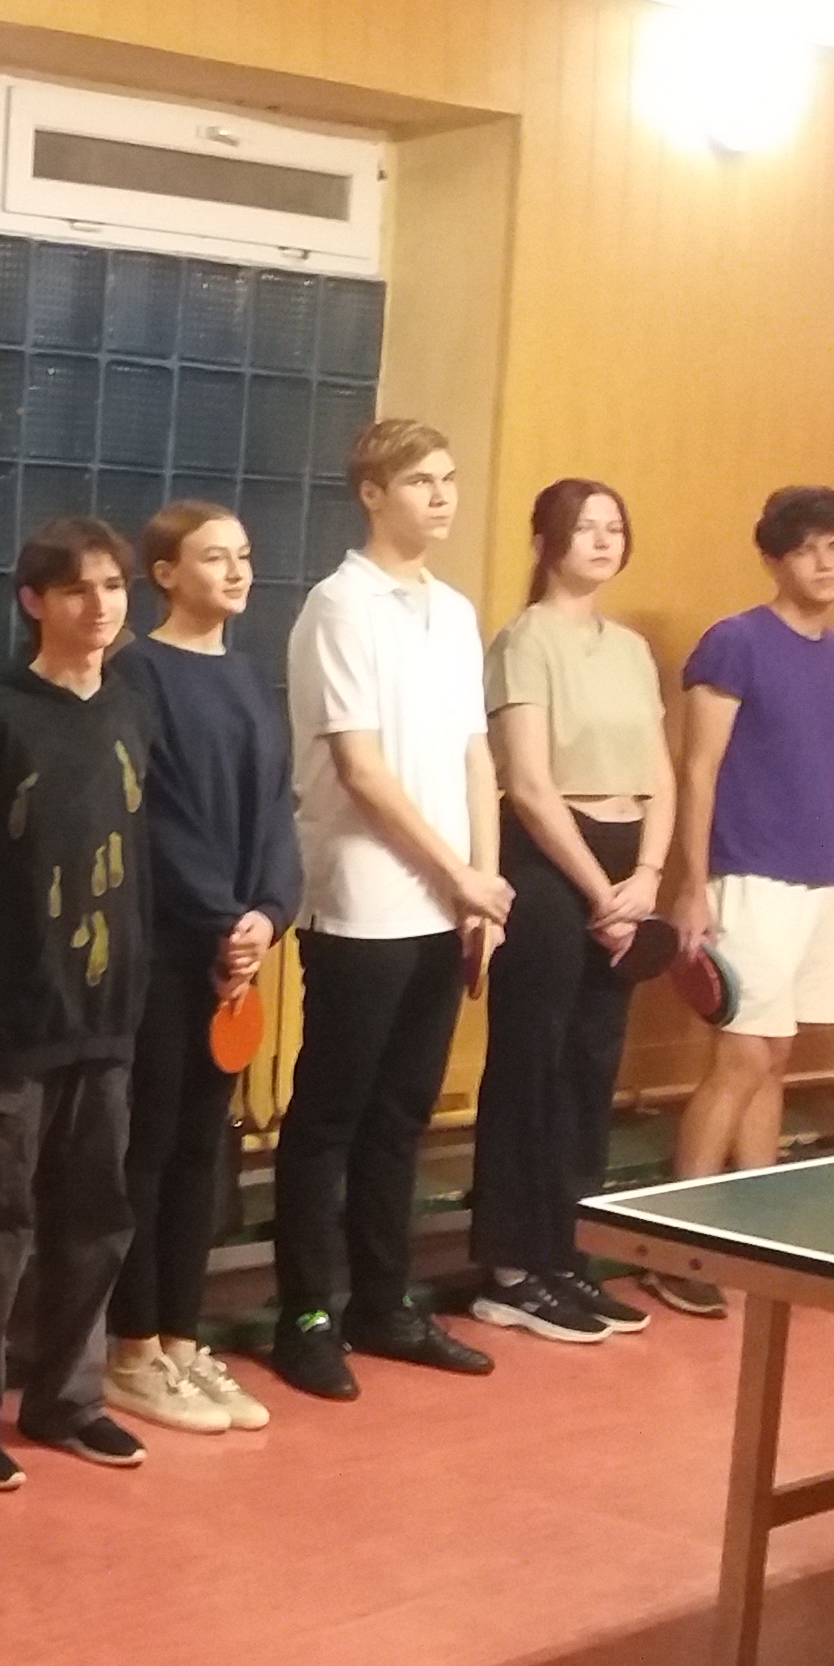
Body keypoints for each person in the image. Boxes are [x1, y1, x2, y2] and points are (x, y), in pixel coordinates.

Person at [0, 518, 155, 1490]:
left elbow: (138, 857)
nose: (100, 606)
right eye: (79, 589)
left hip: (107, 1015)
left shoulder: (131, 710)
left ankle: (68, 1398)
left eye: (113, 587)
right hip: (12, 1018)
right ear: (34, 602)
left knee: (95, 1218)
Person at [271, 418, 506, 1401]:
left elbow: (476, 753)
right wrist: (458, 873)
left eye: (448, 479)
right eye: (420, 482)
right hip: (364, 897)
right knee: (330, 1116)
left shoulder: (453, 610)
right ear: (372, 494)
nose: (441, 497)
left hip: (450, 901)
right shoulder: (339, 606)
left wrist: (484, 888)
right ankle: (304, 1315)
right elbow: (362, 770)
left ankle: (383, 1302)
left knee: (403, 1113)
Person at [101, 501, 292, 1433]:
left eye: (244, 555)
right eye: (215, 557)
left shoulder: (251, 676)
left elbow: (277, 811)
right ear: (166, 574)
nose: (237, 571)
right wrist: (223, 920)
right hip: (168, 951)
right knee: (148, 1147)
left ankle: (181, 1339)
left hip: (234, 956)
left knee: (200, 1152)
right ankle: (131, 1348)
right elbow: (156, 813)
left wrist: (268, 914)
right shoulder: (137, 671)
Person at [465, 480, 669, 1345]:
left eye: (614, 527)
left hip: (626, 867)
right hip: (551, 866)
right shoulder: (523, 640)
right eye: (585, 527)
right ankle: (511, 1272)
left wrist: (648, 873)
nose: (602, 540)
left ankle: (566, 1254)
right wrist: (597, 892)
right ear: (547, 542)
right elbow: (529, 782)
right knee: (533, 1064)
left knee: (592, 1066)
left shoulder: (630, 648)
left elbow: (661, 770)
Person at [662, 490, 834, 1290]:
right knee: (743, 1055)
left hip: (821, 881)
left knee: (776, 1056)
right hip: (748, 874)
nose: (825, 563)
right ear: (775, 559)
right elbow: (698, 769)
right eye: (807, 549)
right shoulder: (735, 642)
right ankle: (677, 1245)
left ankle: (751, 1238)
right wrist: (693, 886)